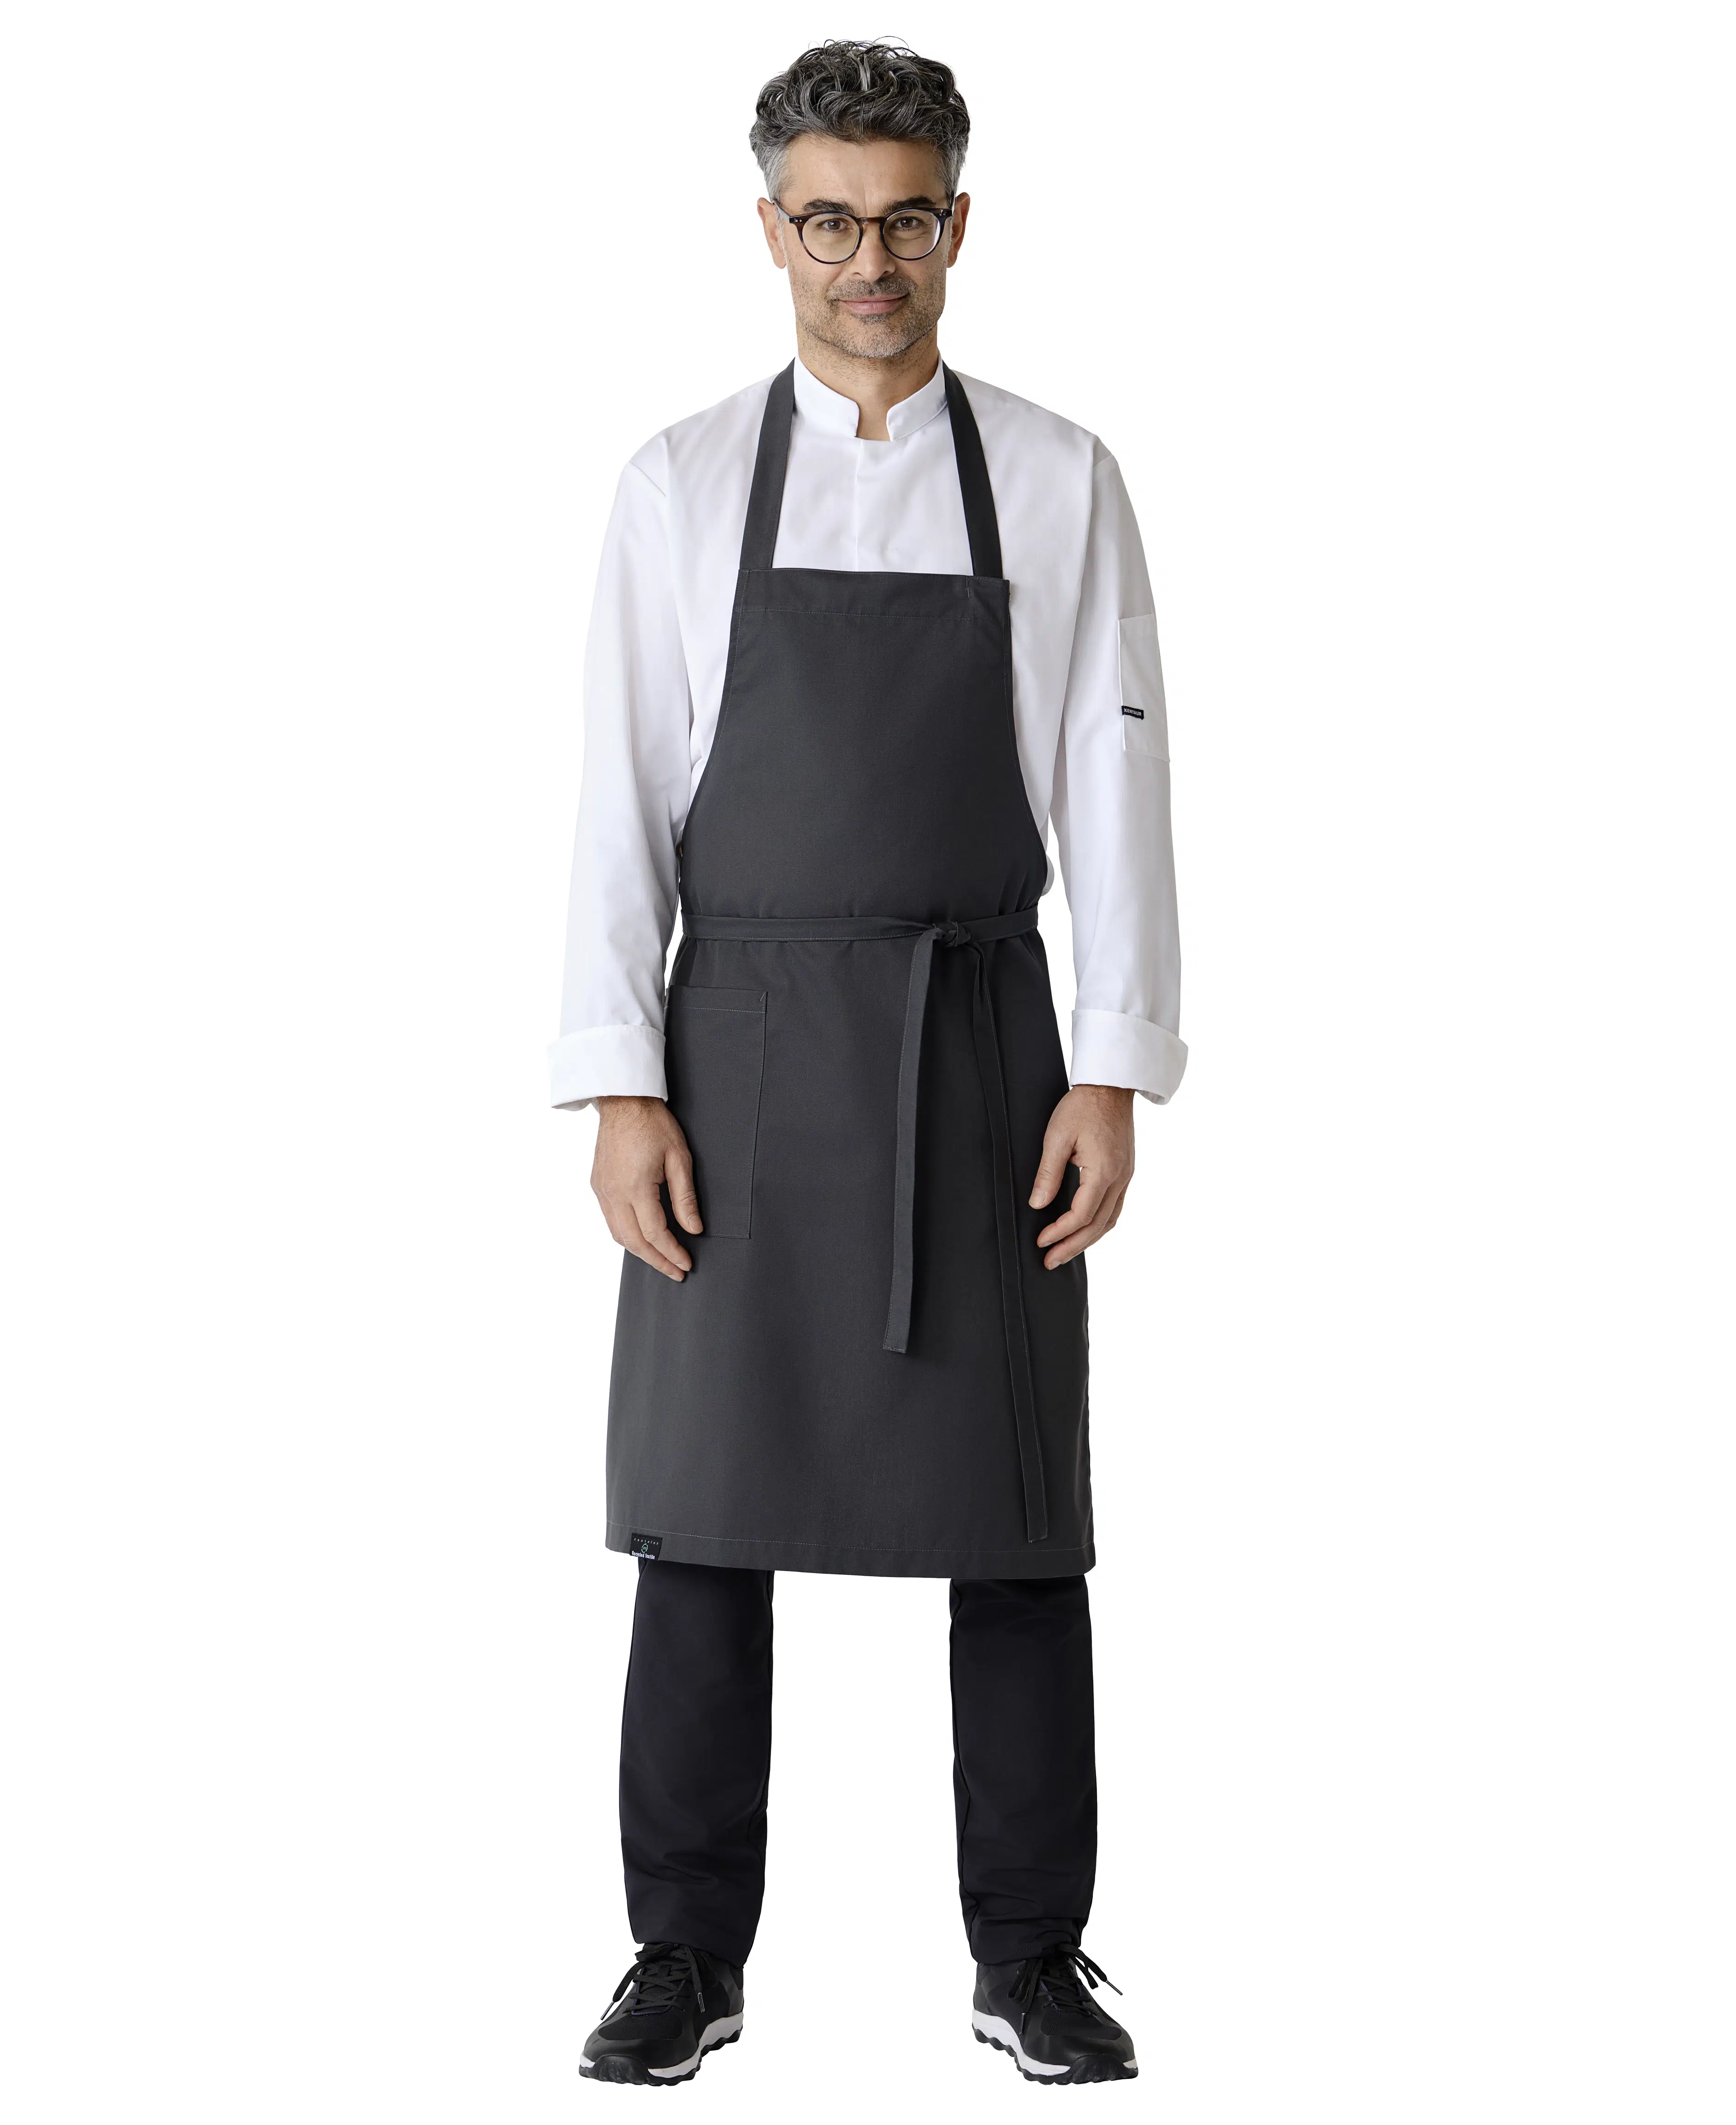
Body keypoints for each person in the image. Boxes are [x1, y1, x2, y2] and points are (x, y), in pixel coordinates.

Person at [550, 38, 1185, 2088]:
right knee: (700, 1518)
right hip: (732, 1055)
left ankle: (1033, 1956)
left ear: (959, 224)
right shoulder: (675, 483)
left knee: (1017, 1522)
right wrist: (617, 1082)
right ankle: (682, 1953)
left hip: (978, 1044)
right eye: (828, 221)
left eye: (906, 219)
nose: (869, 262)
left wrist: (1114, 1061)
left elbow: (1116, 786)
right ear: (772, 233)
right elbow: (616, 806)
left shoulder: (1065, 477)